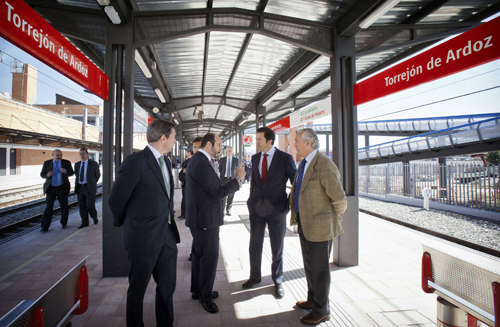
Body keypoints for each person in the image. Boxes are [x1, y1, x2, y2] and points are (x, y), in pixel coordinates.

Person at [108, 119, 180, 327]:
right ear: (163, 138)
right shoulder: (135, 162)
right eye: (174, 137)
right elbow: (116, 199)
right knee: (137, 290)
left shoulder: (166, 161)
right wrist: (133, 225)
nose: (175, 141)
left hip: (166, 236)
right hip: (142, 239)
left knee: (167, 287)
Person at [290, 128, 347, 325]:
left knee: (320, 269)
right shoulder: (305, 163)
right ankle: (313, 300)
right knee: (310, 266)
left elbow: (339, 198)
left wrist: (334, 217)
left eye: (297, 141)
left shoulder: (324, 165)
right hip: (305, 224)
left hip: (321, 226)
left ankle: (322, 310)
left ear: (309, 143)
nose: (294, 145)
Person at [185, 133, 245, 314]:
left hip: (200, 218)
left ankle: (198, 290)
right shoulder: (202, 163)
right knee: (208, 259)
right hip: (204, 219)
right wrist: (238, 180)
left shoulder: (200, 160)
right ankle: (205, 296)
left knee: (198, 255)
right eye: (219, 144)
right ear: (209, 144)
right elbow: (218, 192)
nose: (221, 148)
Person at [243, 127, 297, 299]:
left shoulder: (285, 158)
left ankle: (278, 280)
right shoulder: (255, 157)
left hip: (277, 211)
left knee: (277, 248)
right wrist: (251, 201)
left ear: (269, 141)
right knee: (254, 245)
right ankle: (255, 276)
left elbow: (295, 184)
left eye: (259, 139)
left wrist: (287, 204)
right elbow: (254, 182)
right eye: (256, 139)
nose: (256, 142)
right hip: (257, 210)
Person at [40, 149, 74, 231]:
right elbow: (42, 174)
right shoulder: (47, 163)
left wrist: (65, 172)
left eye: (60, 155)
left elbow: (71, 173)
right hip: (51, 188)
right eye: (57, 155)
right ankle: (45, 226)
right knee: (48, 207)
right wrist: (47, 174)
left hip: (62, 187)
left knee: (64, 206)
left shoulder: (66, 162)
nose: (59, 157)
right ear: (53, 155)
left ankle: (64, 223)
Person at [74, 148, 101, 228]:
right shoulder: (77, 164)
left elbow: (97, 175)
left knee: (90, 205)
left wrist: (92, 183)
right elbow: (77, 175)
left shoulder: (93, 164)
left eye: (84, 153)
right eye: (81, 153)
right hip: (80, 187)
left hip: (89, 187)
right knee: (81, 205)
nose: (82, 155)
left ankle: (94, 218)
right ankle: (84, 222)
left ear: (87, 154)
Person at [218, 146, 239, 216]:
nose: (229, 152)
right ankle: (222, 210)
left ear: (232, 152)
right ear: (226, 151)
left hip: (232, 179)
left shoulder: (236, 160)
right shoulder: (222, 160)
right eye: (228, 151)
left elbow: (237, 170)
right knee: (223, 195)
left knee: (231, 195)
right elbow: (220, 169)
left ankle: (229, 209)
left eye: (231, 151)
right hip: (224, 179)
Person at [178, 150, 194, 219]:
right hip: (185, 183)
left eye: (188, 155)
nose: (187, 157)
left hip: (191, 184)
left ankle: (188, 214)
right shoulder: (185, 163)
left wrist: (187, 172)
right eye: (186, 156)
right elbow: (181, 175)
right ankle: (183, 213)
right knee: (184, 199)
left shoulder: (193, 163)